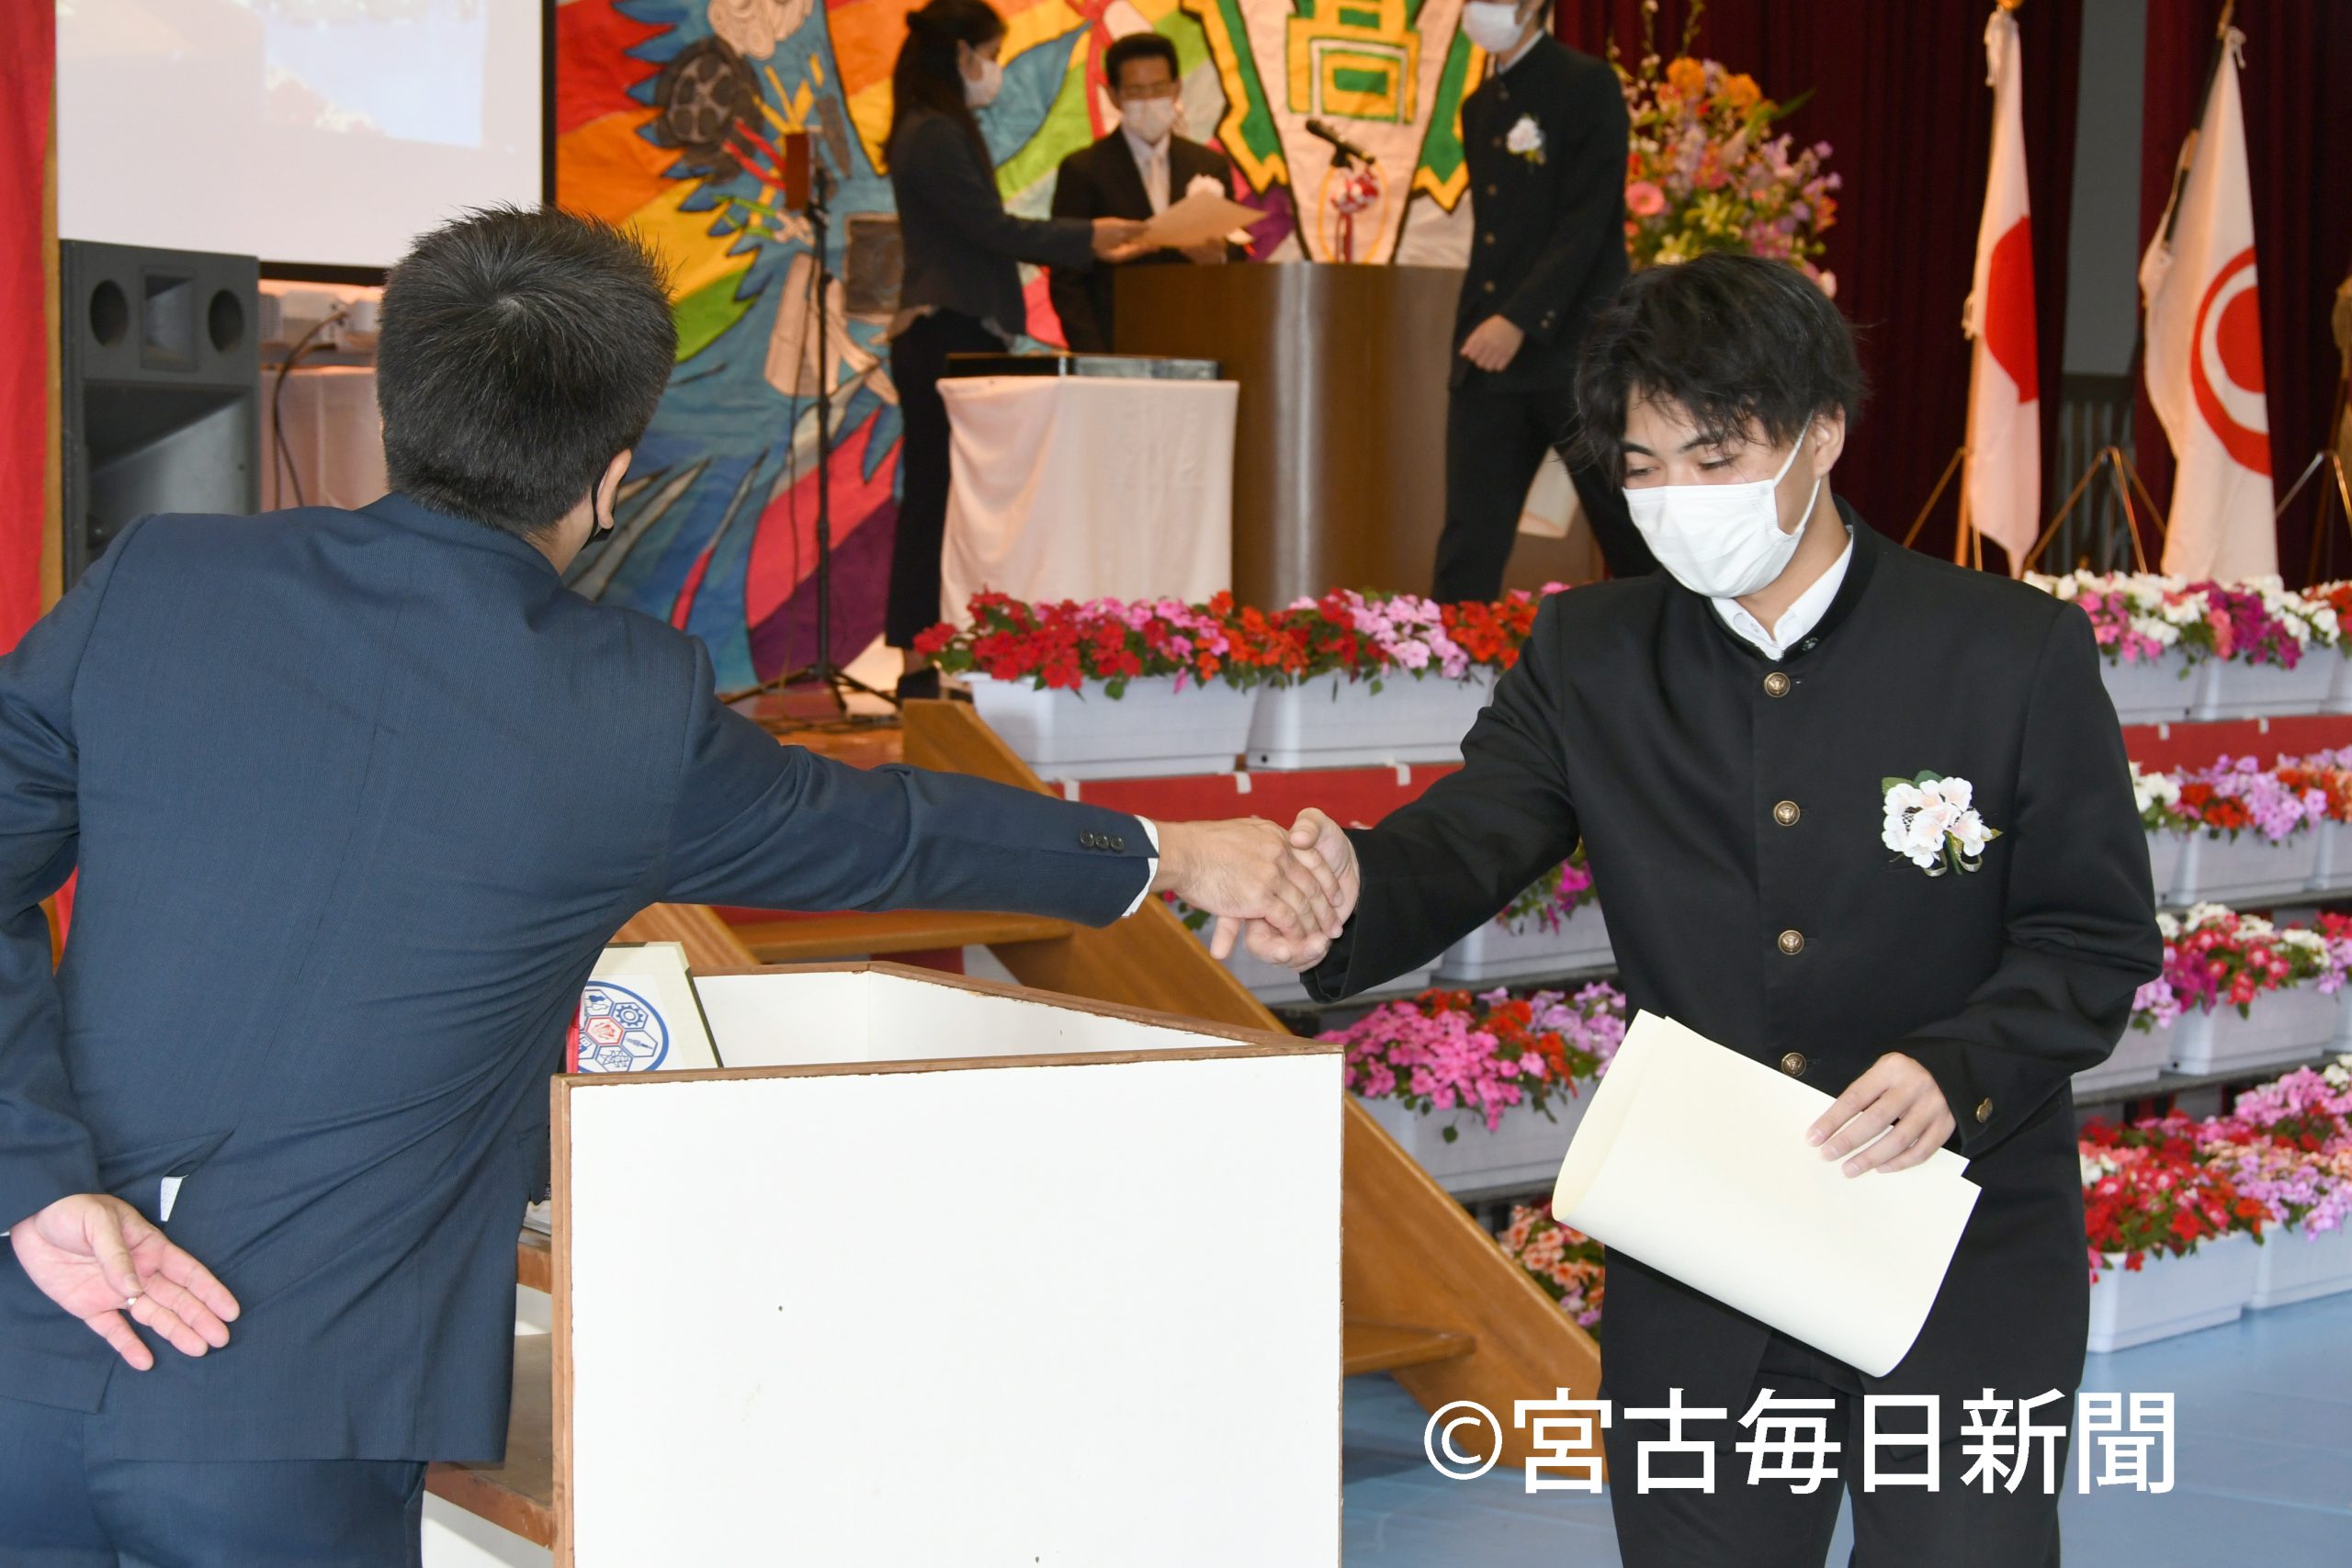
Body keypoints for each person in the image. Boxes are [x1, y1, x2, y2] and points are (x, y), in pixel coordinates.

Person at [0, 205, 1342, 1565]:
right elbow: (890, 835)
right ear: (609, 478)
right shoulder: (623, 708)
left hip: (25, 1357)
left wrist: (37, 1180)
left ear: (400, 406)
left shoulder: (158, 581)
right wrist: (1174, 850)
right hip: (300, 1424)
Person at [1273, 254, 2160, 1566]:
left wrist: (1959, 1067)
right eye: (1643, 468)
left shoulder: (2005, 648)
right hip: (1704, 1236)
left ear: (1821, 435)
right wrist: (1340, 887)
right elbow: (1467, 838)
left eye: (1715, 457)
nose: (1678, 500)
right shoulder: (1592, 654)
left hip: (1956, 1232)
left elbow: (2092, 933)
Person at [883, 0, 1148, 691]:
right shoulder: (933, 132)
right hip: (944, 332)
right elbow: (993, 229)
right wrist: (1089, 236)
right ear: (962, 54)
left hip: (956, 328)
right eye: (993, 56)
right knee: (935, 501)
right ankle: (917, 662)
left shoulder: (936, 125)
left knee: (944, 499)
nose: (996, 70)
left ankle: (932, 656)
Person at [1433, 0, 1657, 599]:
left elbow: (1587, 223)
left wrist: (1520, 318)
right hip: (1489, 352)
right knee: (1468, 540)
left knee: (1627, 523)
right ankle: (1446, 651)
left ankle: (1682, 643)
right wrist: (1491, 321)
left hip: (1573, 348)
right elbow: (1495, 234)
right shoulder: (1479, 105)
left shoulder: (1586, 83)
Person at [1046, 30, 1238, 354]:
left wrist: (1218, 257)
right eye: (1136, 92)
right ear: (1114, 96)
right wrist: (1094, 357)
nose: (1149, 101)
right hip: (1116, 341)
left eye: (1159, 89)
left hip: (1196, 337)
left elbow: (1237, 252)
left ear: (1176, 88)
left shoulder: (1208, 164)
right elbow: (1067, 278)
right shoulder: (1083, 169)